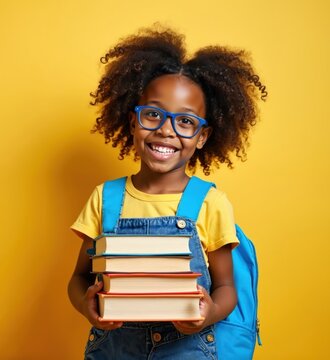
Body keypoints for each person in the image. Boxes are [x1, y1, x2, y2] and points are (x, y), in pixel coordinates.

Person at [67, 25, 267, 359]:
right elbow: (78, 278)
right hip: (116, 350)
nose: (165, 130)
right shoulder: (106, 198)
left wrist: (209, 312)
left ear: (202, 137)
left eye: (185, 122)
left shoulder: (210, 203)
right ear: (133, 122)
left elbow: (227, 288)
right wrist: (86, 305)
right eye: (153, 115)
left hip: (189, 349)